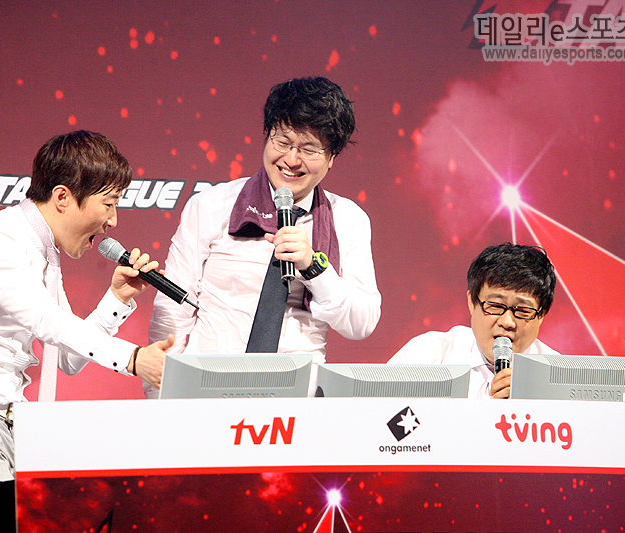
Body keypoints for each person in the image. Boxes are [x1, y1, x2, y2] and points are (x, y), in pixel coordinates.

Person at [0, 130, 174, 492]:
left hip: (1, 424)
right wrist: (134, 358)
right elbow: (48, 322)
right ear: (62, 197)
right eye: (109, 204)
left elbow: (67, 359)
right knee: (1, 517)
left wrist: (117, 299)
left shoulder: (43, 253)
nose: (113, 221)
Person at [147, 77, 381, 397]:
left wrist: (314, 268)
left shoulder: (348, 219)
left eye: (309, 149)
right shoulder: (211, 206)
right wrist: (161, 396)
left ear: (331, 157)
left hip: (295, 397)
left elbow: (361, 323)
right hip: (208, 389)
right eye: (282, 142)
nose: (291, 160)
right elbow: (172, 309)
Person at [387, 242, 558, 399]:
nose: (507, 322)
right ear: (471, 302)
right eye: (495, 306)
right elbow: (380, 413)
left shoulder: (555, 376)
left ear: (541, 315)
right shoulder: (428, 355)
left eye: (522, 310)